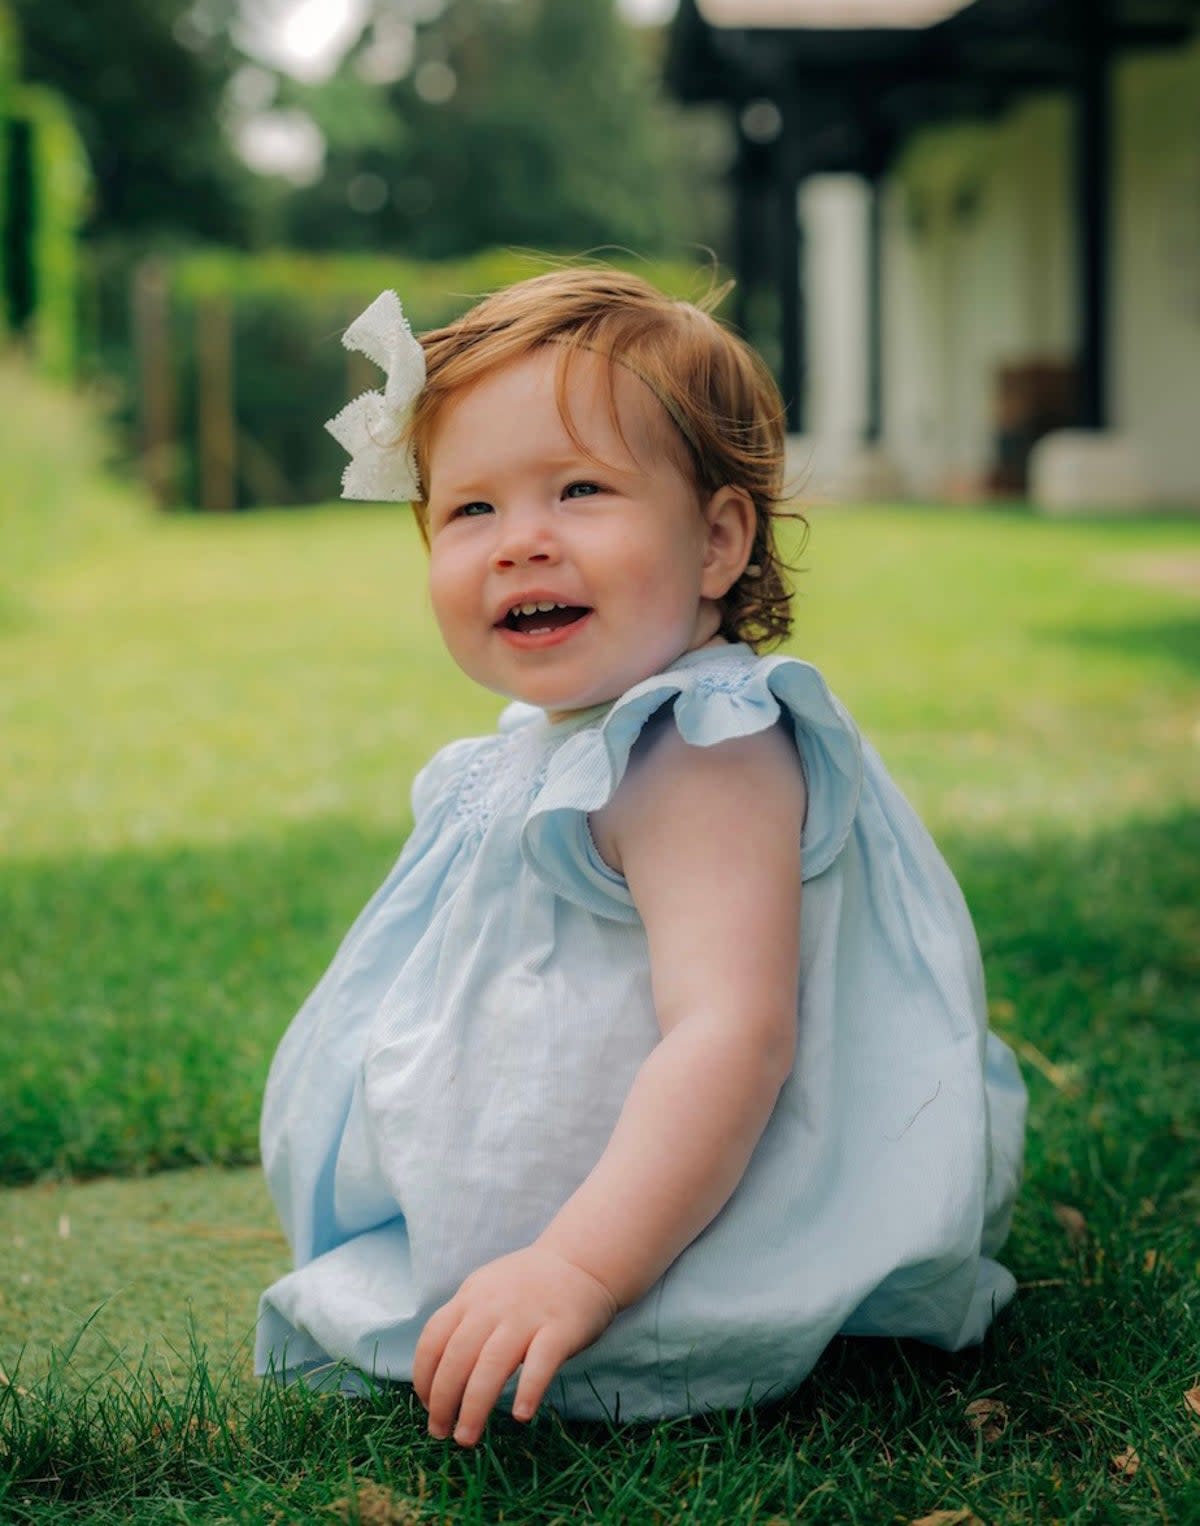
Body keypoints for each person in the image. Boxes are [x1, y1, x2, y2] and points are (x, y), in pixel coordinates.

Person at [256, 268, 1026, 1449]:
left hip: (661, 1233)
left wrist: (573, 1263)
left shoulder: (704, 747)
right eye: (470, 511)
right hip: (603, 1206)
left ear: (717, 538)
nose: (522, 543)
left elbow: (735, 1031)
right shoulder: (560, 741)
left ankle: (601, 1296)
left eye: (579, 489)